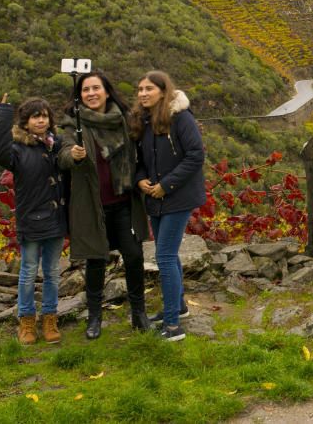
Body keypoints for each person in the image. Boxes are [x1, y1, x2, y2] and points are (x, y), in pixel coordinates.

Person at [58, 72, 150, 340]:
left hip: (123, 203)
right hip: (93, 206)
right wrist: (73, 155)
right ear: (80, 96)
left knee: (134, 256)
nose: (91, 93)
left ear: (107, 91)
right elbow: (62, 156)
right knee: (96, 260)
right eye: (85, 90)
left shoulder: (124, 121)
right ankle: (95, 318)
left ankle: (139, 314)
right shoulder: (73, 124)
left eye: (96, 88)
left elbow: (141, 152)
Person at [129, 71, 204, 342]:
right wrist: (140, 181)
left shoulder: (180, 117)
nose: (143, 93)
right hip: (155, 198)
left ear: (163, 91)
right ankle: (179, 307)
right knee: (168, 254)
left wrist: (167, 184)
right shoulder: (143, 121)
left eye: (149, 88)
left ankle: (173, 326)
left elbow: (196, 155)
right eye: (139, 89)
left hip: (178, 197)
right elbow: (138, 161)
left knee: (165, 256)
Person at [0, 94, 67, 345]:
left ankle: (50, 318)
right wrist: (2, 114)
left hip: (55, 219)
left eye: (44, 115)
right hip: (31, 219)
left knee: (53, 273)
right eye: (35, 116)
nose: (41, 120)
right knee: (28, 273)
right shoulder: (17, 150)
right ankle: (26, 321)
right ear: (25, 122)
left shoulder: (57, 145)